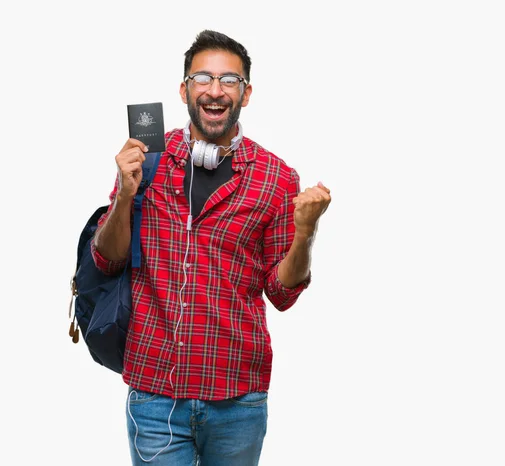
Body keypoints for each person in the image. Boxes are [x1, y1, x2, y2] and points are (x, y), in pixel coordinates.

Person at [91, 30, 331, 465]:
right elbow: (107, 259)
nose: (215, 90)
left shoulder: (277, 178)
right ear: (185, 89)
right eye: (203, 77)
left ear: (246, 93)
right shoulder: (146, 160)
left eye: (229, 80)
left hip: (237, 396)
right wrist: (125, 195)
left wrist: (306, 232)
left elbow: (282, 294)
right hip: (155, 393)